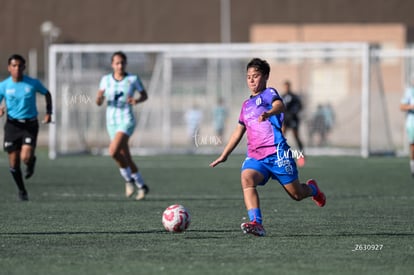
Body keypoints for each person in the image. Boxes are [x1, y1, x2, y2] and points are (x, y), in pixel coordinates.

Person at [210, 58, 326, 237]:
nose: (251, 80)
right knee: (247, 178)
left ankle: (313, 189)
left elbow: (280, 105)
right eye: (248, 77)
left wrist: (270, 112)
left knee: (297, 195)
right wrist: (224, 155)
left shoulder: (269, 93)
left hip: (278, 153)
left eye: (255, 76)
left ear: (265, 77)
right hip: (256, 157)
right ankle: (257, 222)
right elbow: (238, 131)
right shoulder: (246, 105)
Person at [96, 51, 149, 200]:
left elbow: (144, 95)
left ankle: (128, 180)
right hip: (111, 122)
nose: (120, 66)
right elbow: (98, 101)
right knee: (125, 156)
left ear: (126, 64)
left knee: (113, 151)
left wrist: (137, 101)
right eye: (117, 63)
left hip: (126, 120)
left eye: (122, 63)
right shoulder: (105, 80)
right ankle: (142, 185)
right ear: (112, 64)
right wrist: (99, 98)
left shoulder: (132, 79)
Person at [0, 54, 53, 201]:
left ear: (24, 67)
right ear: (9, 68)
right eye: (14, 66)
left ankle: (31, 161)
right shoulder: (4, 86)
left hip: (29, 125)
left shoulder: (32, 83)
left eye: (20, 66)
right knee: (13, 162)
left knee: (25, 157)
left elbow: (47, 94)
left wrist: (49, 113)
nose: (17, 69)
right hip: (12, 125)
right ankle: (22, 190)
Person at [281, 80, 305, 166]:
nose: (286, 88)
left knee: (296, 137)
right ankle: (281, 156)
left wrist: (294, 112)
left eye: (287, 86)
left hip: (293, 119)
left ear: (289, 87)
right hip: (285, 120)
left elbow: (300, 106)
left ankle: (301, 155)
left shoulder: (294, 97)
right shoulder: (282, 97)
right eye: (285, 86)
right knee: (282, 137)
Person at [400, 78, 414, 176]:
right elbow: (402, 106)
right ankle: (412, 165)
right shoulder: (409, 92)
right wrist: (411, 107)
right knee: (413, 146)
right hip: (412, 123)